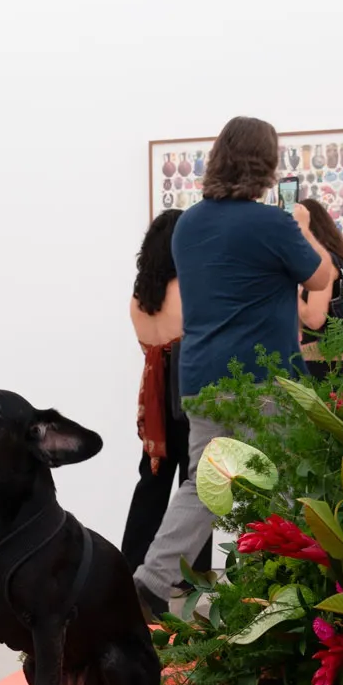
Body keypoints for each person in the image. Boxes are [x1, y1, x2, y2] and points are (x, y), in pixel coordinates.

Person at [132, 115, 334, 620]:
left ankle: (152, 582)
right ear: (266, 164)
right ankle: (280, 597)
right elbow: (323, 274)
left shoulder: (192, 223)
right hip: (262, 378)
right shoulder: (273, 224)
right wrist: (304, 228)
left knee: (203, 483)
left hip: (200, 376)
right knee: (286, 485)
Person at [120, 209, 212, 577]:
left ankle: (129, 567)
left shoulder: (140, 297)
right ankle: (193, 576)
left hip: (155, 401)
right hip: (192, 388)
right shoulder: (190, 288)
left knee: (152, 485)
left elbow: (151, 350)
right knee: (200, 486)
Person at [296, 198, 343, 382]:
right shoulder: (342, 263)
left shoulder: (326, 264)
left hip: (322, 369)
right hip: (337, 366)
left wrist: (290, 293)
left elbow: (315, 319)